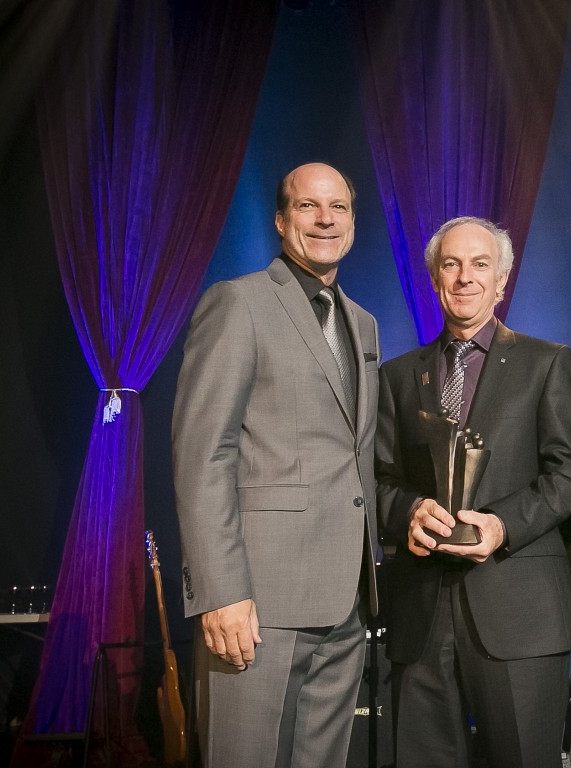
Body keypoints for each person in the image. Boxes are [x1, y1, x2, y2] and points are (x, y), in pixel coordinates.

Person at [172, 162, 380, 767]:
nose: (325, 219)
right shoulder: (237, 303)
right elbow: (202, 452)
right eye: (309, 206)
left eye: (338, 208)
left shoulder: (362, 321)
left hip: (345, 603)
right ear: (281, 219)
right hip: (256, 604)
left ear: (352, 221)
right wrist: (220, 591)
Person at [376, 216, 571, 768]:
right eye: (451, 264)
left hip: (521, 615)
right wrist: (409, 511)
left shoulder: (547, 363)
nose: (465, 276)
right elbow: (376, 481)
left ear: (501, 282)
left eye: (480, 264)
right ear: (435, 278)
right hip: (419, 616)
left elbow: (570, 477)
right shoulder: (398, 376)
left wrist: (501, 526)